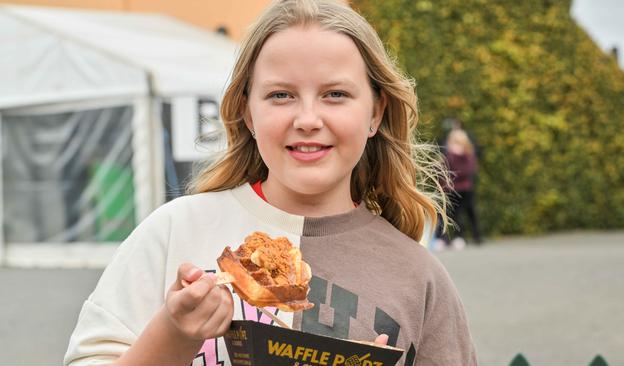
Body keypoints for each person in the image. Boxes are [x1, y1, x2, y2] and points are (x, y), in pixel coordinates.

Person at [64, 1, 477, 365]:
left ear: (375, 113)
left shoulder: (419, 276)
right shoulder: (175, 232)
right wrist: (174, 334)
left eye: (335, 94)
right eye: (281, 95)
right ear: (247, 112)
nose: (308, 119)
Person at [440, 129, 482, 249]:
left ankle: (475, 236)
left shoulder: (468, 156)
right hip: (452, 190)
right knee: (452, 215)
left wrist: (458, 156)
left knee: (470, 213)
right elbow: (443, 171)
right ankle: (452, 238)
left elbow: (465, 171)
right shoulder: (448, 156)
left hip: (466, 190)